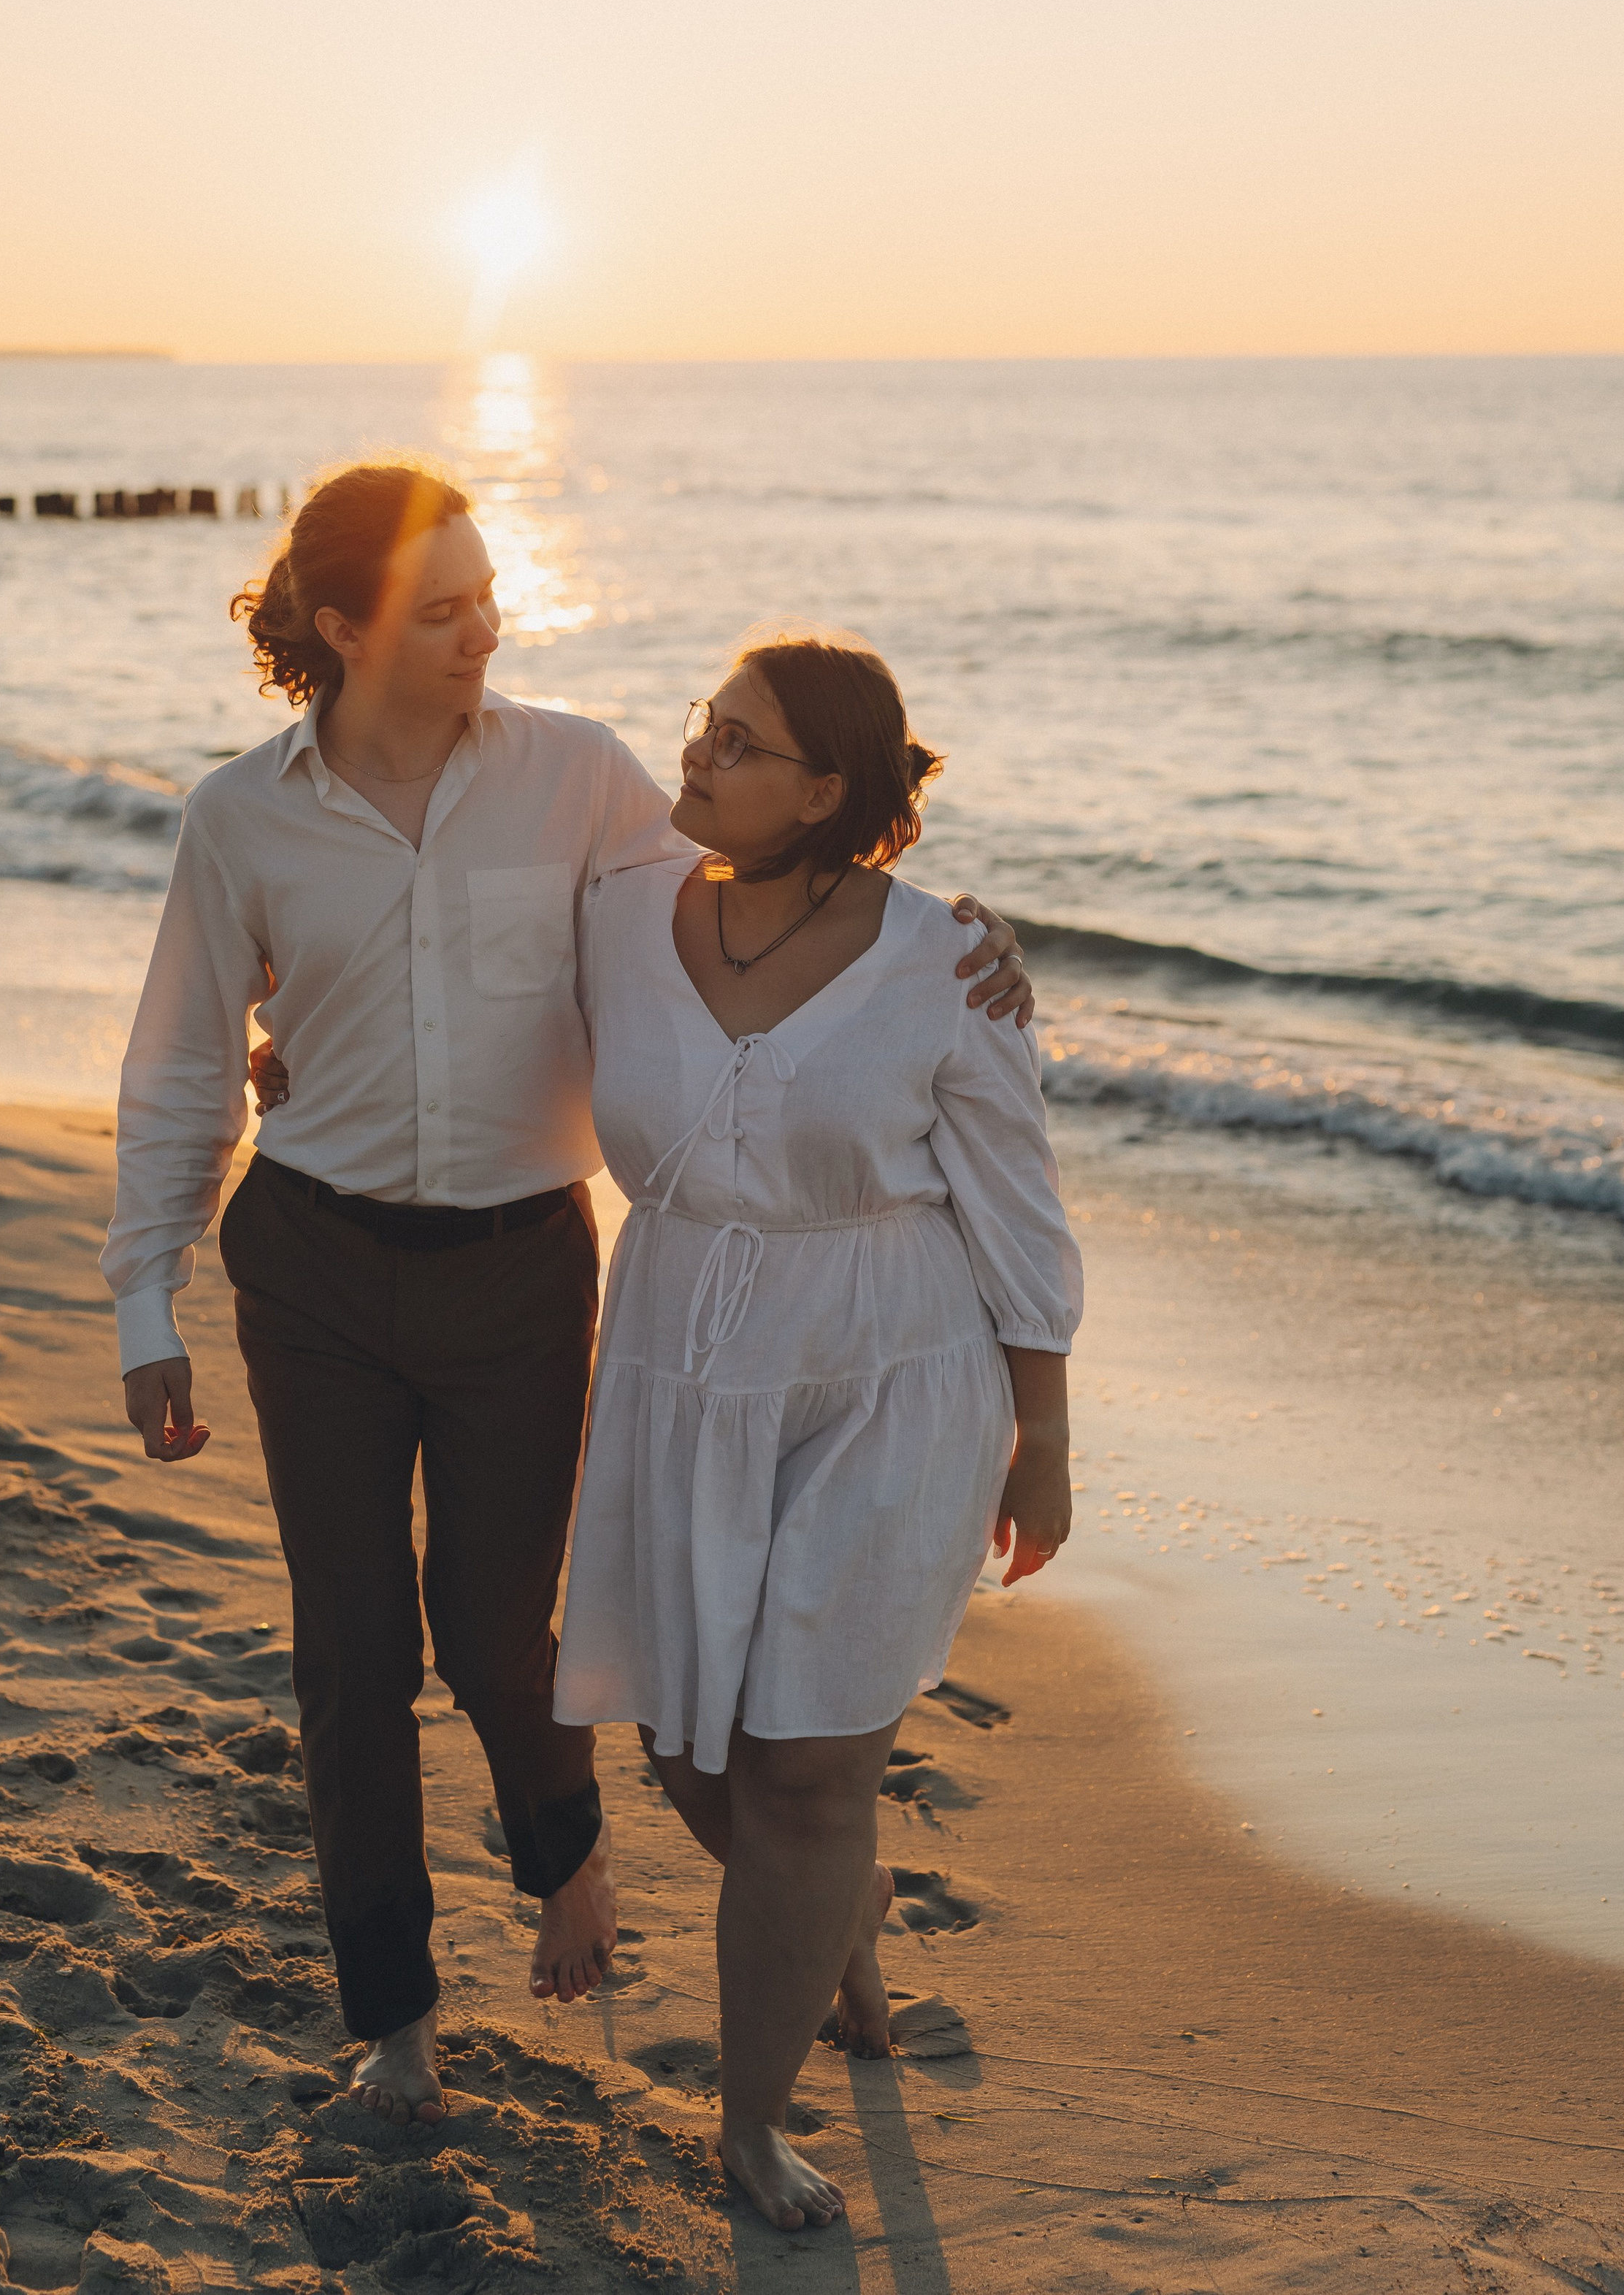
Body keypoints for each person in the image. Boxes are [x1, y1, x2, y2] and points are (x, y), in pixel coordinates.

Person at [99, 458, 1036, 2129]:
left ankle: (566, 1854)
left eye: (488, 594)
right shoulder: (240, 816)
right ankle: (394, 2026)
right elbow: (183, 1057)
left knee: (495, 1634)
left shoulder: (583, 777)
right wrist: (143, 1293)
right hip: (311, 1260)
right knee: (349, 1652)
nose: (485, 628)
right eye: (441, 608)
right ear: (341, 627)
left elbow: (770, 894)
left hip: (520, 1269)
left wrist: (952, 933)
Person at [552, 633, 1082, 2233]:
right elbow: (462, 989)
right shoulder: (617, 911)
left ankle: (750, 2120)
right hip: (677, 1365)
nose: (697, 754)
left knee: (802, 1767)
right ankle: (844, 1898)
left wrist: (1043, 1436)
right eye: (703, 723)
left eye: (739, 740)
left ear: (826, 791)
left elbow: (1017, 1205)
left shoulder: (945, 959)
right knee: (682, 1741)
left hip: (890, 1378)